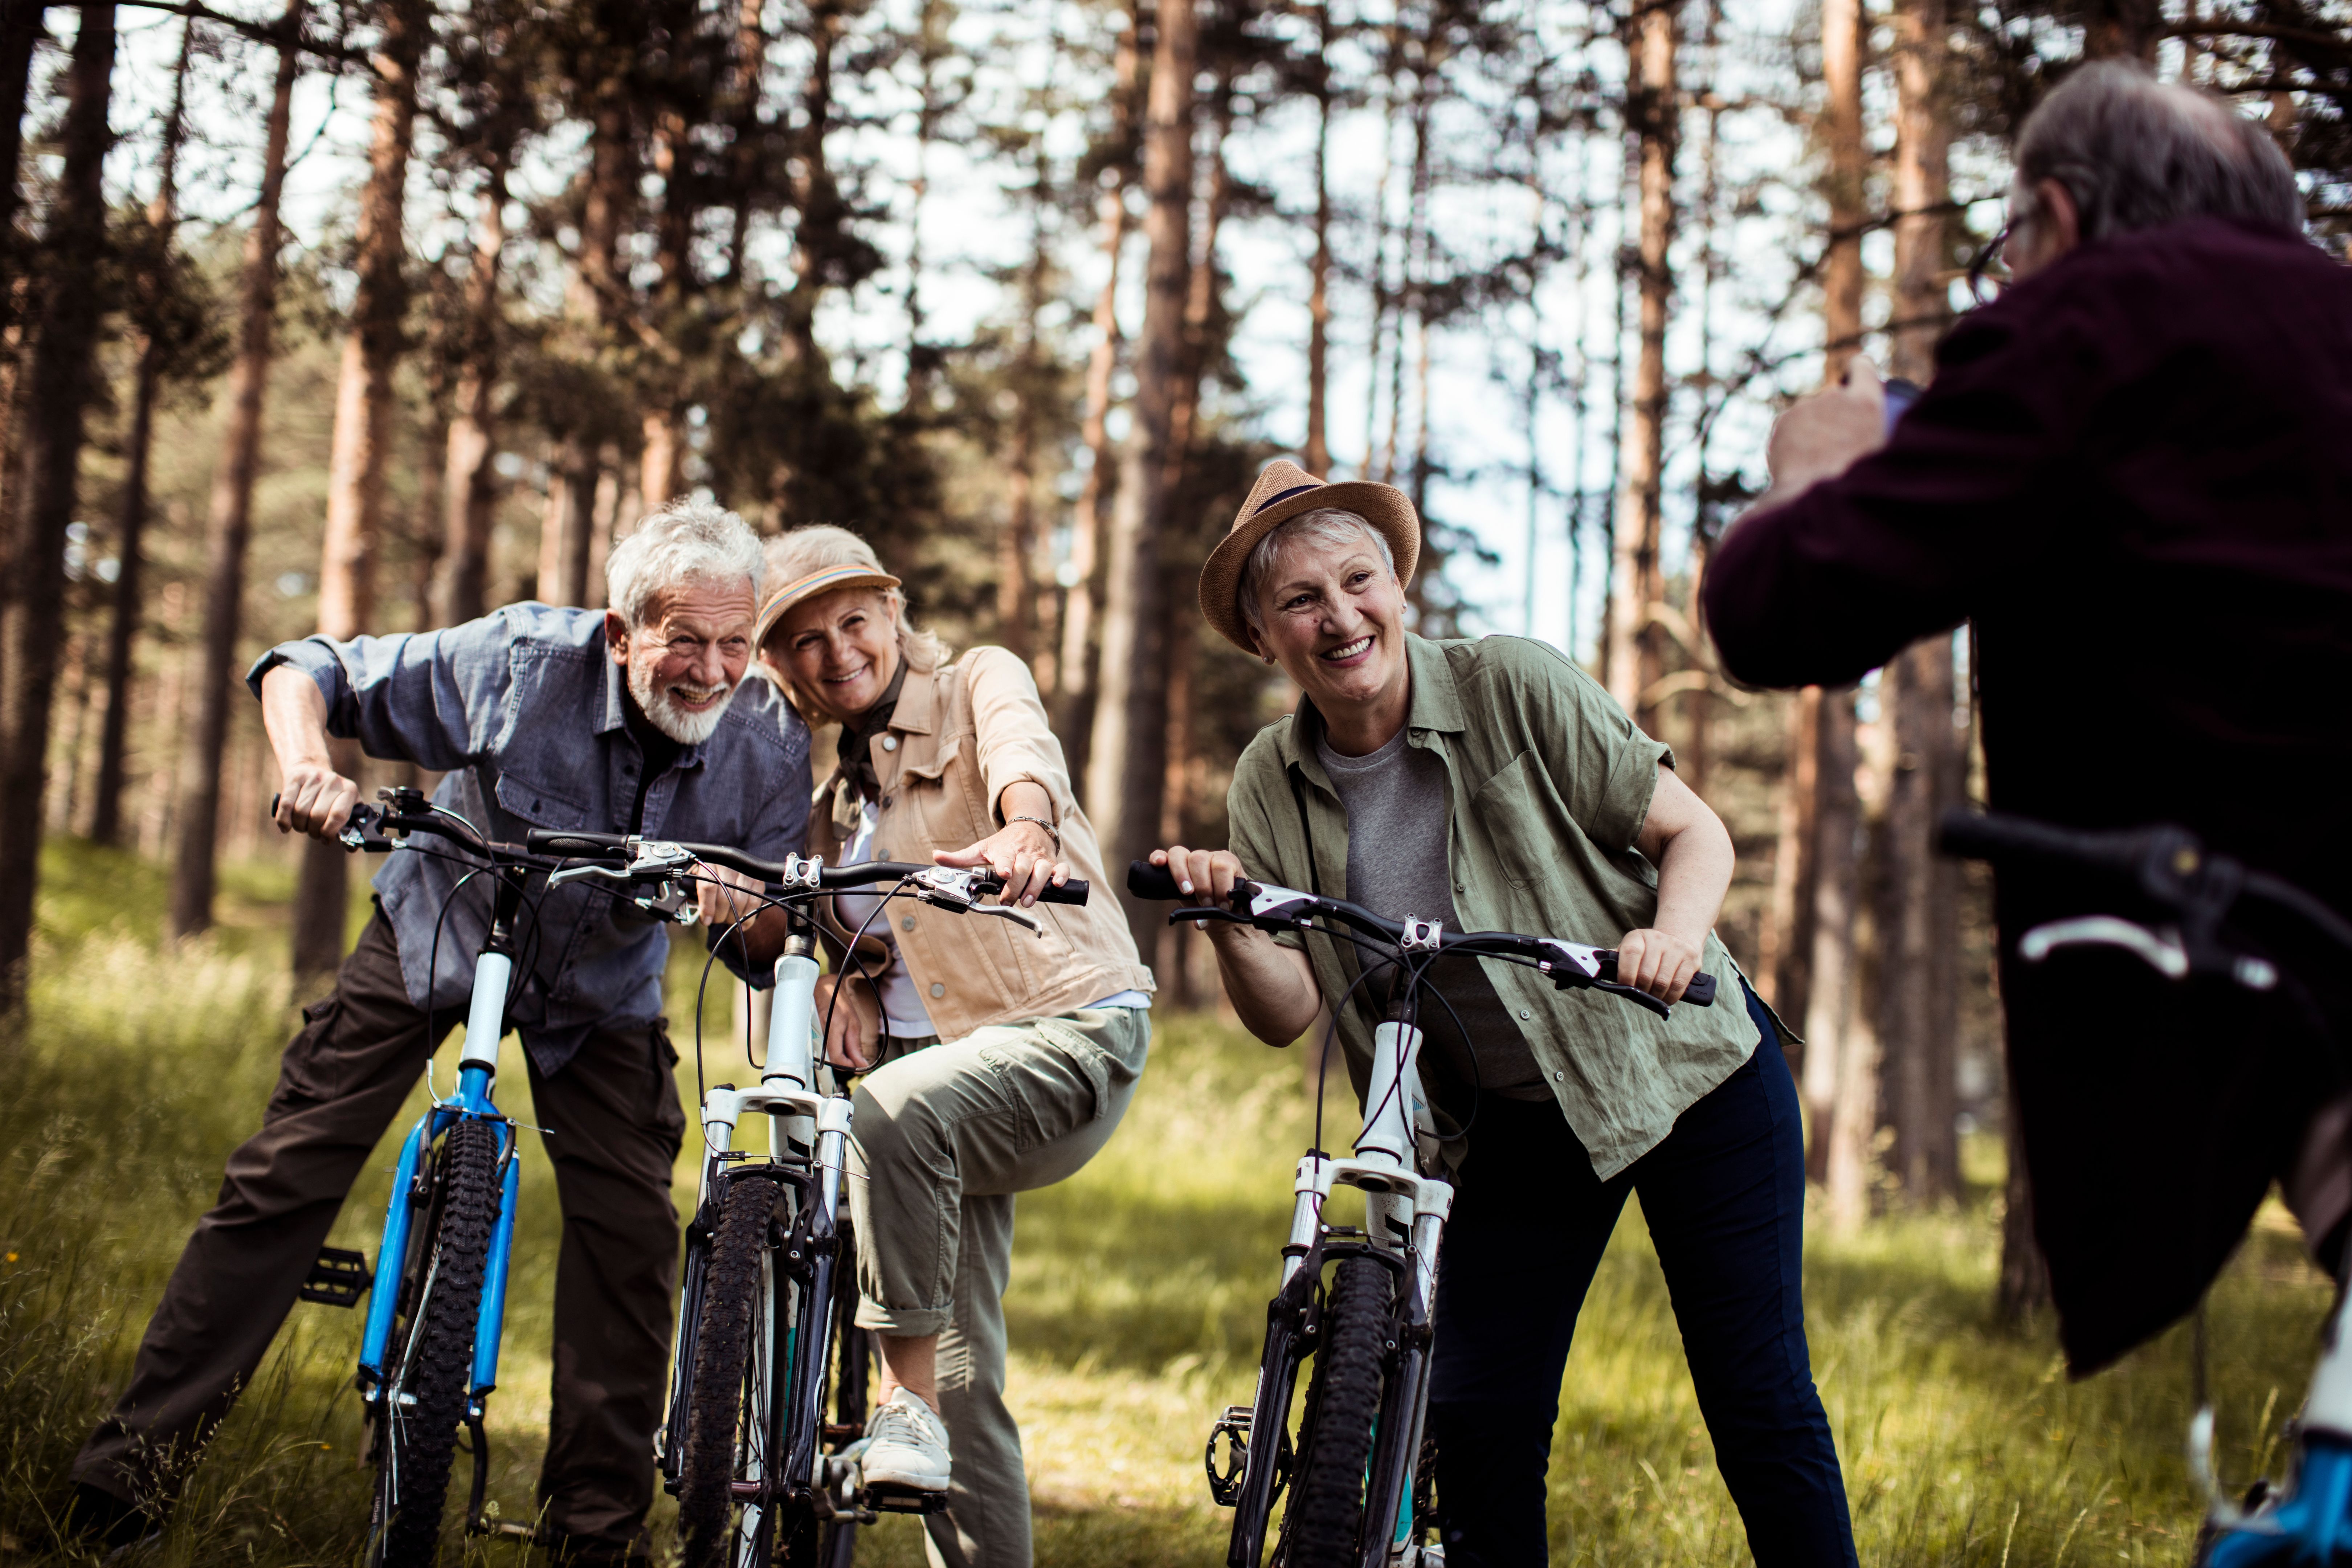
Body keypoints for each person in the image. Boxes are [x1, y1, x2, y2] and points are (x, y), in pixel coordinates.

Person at [1702, 62, 2352, 1375]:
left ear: (2057, 218)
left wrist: (1817, 476)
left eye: (2012, 247)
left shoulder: (2091, 319)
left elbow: (1779, 613)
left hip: (2291, 946)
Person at [65, 500, 812, 1562]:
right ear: (618, 632)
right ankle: (124, 1482)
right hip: (445, 931)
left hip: (603, 992)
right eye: (683, 640)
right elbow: (303, 668)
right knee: (285, 1175)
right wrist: (304, 767)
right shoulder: (517, 661)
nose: (712, 669)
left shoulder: (772, 737)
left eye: (734, 642)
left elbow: (769, 932)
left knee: (634, 1235)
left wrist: (747, 908)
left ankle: (594, 1534)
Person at [1151, 461, 1858, 1568]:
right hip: (1521, 1128)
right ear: (1264, 635)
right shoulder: (1268, 784)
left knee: (1756, 1401)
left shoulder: (1513, 686)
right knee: (1479, 1422)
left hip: (1688, 1077)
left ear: (1398, 587)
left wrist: (1672, 937)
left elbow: (1696, 835)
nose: (1340, 617)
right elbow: (1289, 1012)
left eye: (1358, 580)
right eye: (1301, 601)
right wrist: (1230, 917)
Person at [752, 526, 1155, 1568]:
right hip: (940, 1094)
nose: (837, 651)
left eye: (853, 620)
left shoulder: (981, 678)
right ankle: (936, 1422)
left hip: (1068, 1030)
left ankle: (902, 1407)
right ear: (781, 666)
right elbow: (833, 929)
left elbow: (1028, 762)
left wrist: (1027, 829)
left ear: (894, 610)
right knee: (968, 1385)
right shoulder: (836, 796)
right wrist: (824, 966)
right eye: (803, 639)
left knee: (890, 1119)